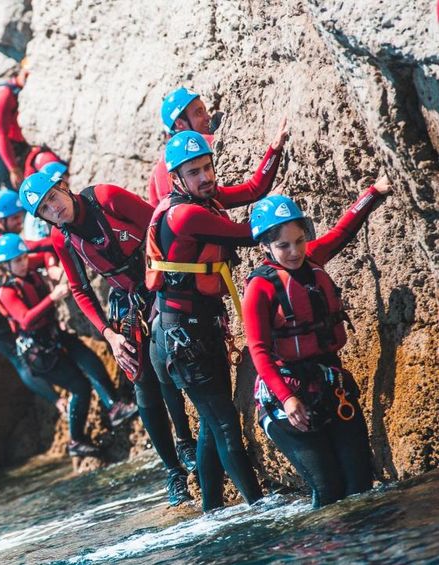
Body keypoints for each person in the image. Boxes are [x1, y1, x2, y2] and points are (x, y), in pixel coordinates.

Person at [19, 169, 198, 506]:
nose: (54, 209)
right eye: (44, 209)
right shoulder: (62, 238)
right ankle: (173, 471)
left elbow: (160, 225)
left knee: (162, 361)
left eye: (53, 198)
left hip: (159, 280)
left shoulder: (105, 198)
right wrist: (110, 336)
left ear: (64, 188)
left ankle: (186, 442)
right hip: (125, 300)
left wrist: (170, 283)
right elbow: (80, 290)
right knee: (139, 377)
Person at [145, 124, 288, 511]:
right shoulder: (184, 216)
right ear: (177, 179)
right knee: (225, 424)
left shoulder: (203, 199)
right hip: (180, 336)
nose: (205, 177)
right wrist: (289, 221)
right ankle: (258, 509)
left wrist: (274, 147)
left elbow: (254, 190)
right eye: (194, 172)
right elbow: (247, 233)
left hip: (199, 327)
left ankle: (211, 509)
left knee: (211, 423)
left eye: (207, 167)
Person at [243, 177, 392, 507]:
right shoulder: (260, 288)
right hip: (286, 397)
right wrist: (287, 400)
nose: (294, 251)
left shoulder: (312, 260)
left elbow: (343, 231)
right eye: (283, 246)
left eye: (299, 241)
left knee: (360, 486)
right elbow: (259, 351)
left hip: (329, 384)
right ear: (265, 246)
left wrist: (373, 192)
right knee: (328, 490)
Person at [0, 234, 140, 457]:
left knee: (90, 360)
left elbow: (44, 254)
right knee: (79, 387)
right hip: (38, 351)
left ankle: (114, 407)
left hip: (54, 335)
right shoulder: (6, 290)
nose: (23, 263)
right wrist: (52, 298)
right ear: (6, 265)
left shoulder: (22, 266)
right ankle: (76, 440)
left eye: (24, 258)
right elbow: (24, 319)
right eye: (18, 261)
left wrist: (51, 265)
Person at [0, 189, 63, 410]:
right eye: (15, 218)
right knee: (18, 356)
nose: (20, 222)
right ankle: (56, 400)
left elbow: (31, 256)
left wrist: (50, 260)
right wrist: (59, 238)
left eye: (21, 216)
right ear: (0, 219)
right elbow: (30, 247)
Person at [148, 86, 216, 206]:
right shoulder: (200, 142)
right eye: (199, 113)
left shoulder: (155, 174)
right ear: (180, 124)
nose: (208, 117)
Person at [0, 59, 30, 191]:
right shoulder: (4, 94)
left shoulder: (24, 92)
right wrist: (13, 168)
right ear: (22, 72)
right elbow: (0, 134)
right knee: (13, 187)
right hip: (3, 147)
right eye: (26, 74)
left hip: (19, 144)